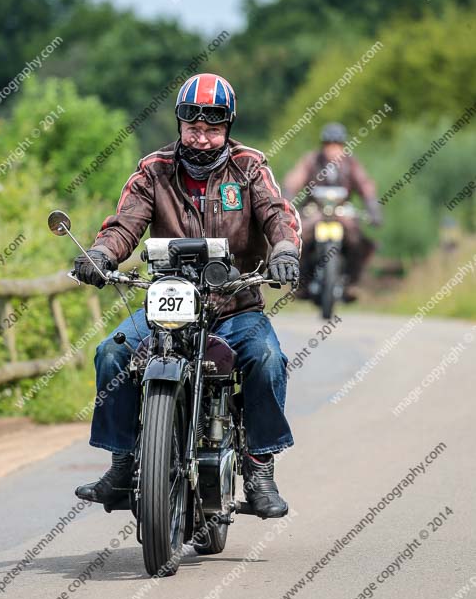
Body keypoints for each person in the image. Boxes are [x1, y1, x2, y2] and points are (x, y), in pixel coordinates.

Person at [73, 73, 301, 520]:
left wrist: (286, 251)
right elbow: (124, 224)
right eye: (193, 128)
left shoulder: (249, 167)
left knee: (268, 358)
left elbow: (278, 214)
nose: (201, 139)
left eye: (212, 129)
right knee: (110, 354)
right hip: (168, 305)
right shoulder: (153, 171)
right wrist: (101, 253)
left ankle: (259, 468)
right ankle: (122, 465)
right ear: (179, 124)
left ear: (227, 127)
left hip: (235, 305)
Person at [284, 122, 382, 299]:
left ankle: (352, 283)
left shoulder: (351, 163)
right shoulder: (312, 160)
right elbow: (294, 180)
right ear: (323, 145)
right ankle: (300, 282)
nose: (333, 149)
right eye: (329, 144)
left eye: (337, 144)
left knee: (357, 238)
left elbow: (365, 185)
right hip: (315, 209)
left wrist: (373, 207)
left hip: (342, 210)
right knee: (299, 237)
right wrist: (287, 199)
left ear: (343, 146)